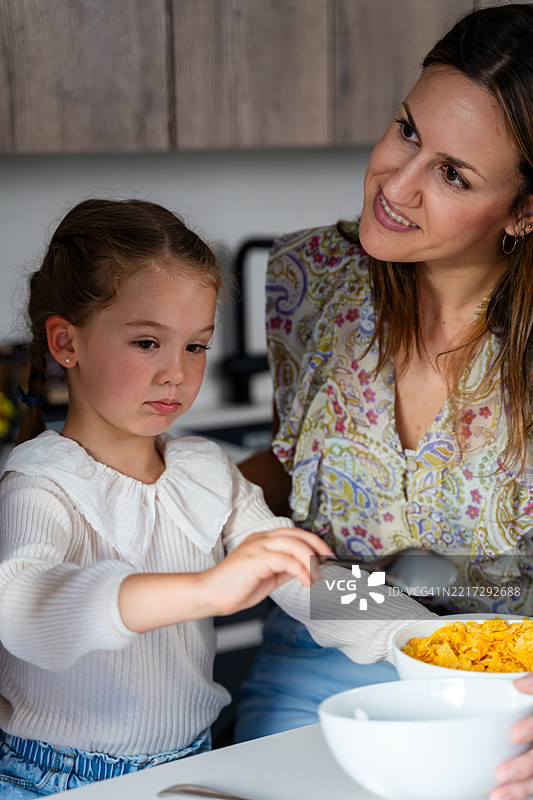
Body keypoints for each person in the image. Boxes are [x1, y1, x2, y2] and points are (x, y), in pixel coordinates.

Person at [0, 198, 433, 797]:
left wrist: (423, 638)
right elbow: (24, 608)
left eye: (195, 346)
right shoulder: (41, 482)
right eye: (147, 342)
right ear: (65, 343)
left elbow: (309, 580)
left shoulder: (205, 472)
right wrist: (204, 589)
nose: (176, 372)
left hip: (189, 764)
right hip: (52, 780)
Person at [234, 4, 533, 799]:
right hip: (324, 641)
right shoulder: (310, 277)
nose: (395, 186)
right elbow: (298, 465)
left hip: (503, 684)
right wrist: (173, 494)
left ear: (524, 211)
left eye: (452, 174)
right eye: (406, 132)